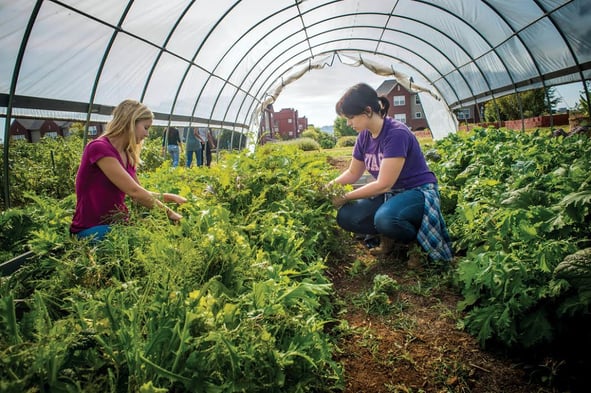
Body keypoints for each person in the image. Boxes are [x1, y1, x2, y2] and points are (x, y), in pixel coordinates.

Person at [327, 83, 452, 262]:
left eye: (351, 117)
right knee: (347, 216)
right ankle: (390, 238)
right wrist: (328, 187)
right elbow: (353, 172)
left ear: (368, 111)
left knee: (385, 218)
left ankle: (416, 245)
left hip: (416, 192)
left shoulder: (396, 134)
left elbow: (384, 184)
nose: (348, 123)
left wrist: (346, 196)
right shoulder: (364, 136)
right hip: (390, 194)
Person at [70, 99, 187, 242]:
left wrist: (170, 197)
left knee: (159, 236)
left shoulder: (127, 154)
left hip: (119, 224)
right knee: (149, 241)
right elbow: (135, 193)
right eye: (145, 127)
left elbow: (140, 192)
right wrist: (170, 214)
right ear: (130, 123)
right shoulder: (99, 148)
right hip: (92, 228)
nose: (147, 134)